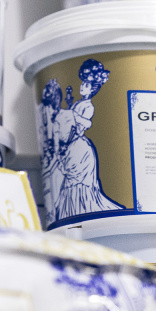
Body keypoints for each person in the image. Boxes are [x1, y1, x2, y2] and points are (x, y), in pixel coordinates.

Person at [53, 59, 123, 222]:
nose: (82, 86)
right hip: (72, 146)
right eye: (82, 84)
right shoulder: (79, 103)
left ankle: (81, 214)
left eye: (86, 85)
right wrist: (70, 105)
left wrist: (71, 114)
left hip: (80, 149)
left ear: (92, 89)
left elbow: (84, 123)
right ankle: (70, 216)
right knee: (69, 180)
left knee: (77, 182)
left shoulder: (88, 106)